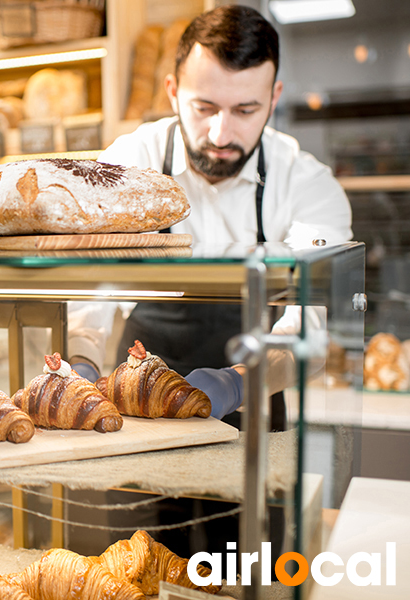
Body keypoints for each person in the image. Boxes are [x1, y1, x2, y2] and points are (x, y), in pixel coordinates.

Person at [67, 4, 353, 567]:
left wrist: (233, 384)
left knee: (246, 564)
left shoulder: (307, 183)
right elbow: (92, 283)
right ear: (172, 90)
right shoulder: (129, 163)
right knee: (141, 564)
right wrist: (79, 361)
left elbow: (310, 324)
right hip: (135, 403)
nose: (222, 133)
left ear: (274, 98)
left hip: (254, 401)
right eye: (204, 107)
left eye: (246, 109)